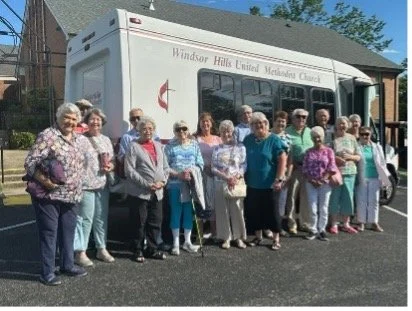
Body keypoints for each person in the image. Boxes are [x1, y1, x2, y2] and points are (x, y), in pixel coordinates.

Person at [24, 102, 87, 286]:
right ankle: (47, 272)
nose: (70, 121)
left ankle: (67, 265)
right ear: (58, 117)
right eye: (67, 117)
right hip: (49, 195)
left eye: (74, 118)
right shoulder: (48, 135)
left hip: (72, 195)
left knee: (68, 232)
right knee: (49, 233)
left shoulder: (77, 138)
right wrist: (46, 182)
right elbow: (30, 162)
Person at [74, 108, 115, 267]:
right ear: (86, 121)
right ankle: (80, 252)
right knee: (85, 219)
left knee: (101, 219)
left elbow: (112, 160)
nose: (95, 122)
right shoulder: (80, 139)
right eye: (92, 119)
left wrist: (110, 166)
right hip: (86, 185)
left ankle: (101, 248)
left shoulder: (106, 139)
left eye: (98, 120)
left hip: (102, 184)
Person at [124, 116, 169, 262]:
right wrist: (146, 184)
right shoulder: (133, 146)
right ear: (139, 130)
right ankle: (137, 250)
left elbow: (165, 168)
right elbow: (129, 170)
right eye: (144, 128)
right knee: (139, 222)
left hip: (158, 191)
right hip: (140, 192)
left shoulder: (158, 145)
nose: (147, 131)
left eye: (150, 128)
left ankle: (152, 249)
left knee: (155, 221)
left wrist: (163, 181)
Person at [243, 112, 287, 250]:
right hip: (252, 183)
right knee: (255, 211)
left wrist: (279, 179)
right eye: (255, 123)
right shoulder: (248, 140)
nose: (259, 125)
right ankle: (258, 237)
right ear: (251, 126)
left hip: (270, 184)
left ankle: (276, 239)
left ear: (266, 124)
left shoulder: (274, 139)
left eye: (261, 122)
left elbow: (283, 158)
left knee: (272, 212)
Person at [165, 121, 203, 255]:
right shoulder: (169, 146)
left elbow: (200, 163)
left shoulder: (194, 145)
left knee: (188, 212)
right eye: (178, 129)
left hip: (190, 184)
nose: (181, 131)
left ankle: (187, 242)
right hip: (175, 185)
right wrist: (178, 174)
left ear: (188, 130)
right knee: (176, 212)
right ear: (174, 131)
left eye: (184, 129)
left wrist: (192, 172)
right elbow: (165, 167)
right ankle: (175, 243)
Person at [211, 120, 247, 249]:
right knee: (222, 211)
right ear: (220, 133)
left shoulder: (240, 147)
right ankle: (226, 237)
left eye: (229, 131)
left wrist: (236, 177)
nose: (226, 134)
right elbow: (213, 167)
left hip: (236, 182)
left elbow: (244, 165)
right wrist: (227, 178)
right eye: (223, 131)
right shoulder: (216, 149)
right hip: (221, 182)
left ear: (232, 132)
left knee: (237, 210)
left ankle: (238, 238)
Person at [302, 126, 338, 241]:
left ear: (323, 137)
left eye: (319, 137)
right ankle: (313, 230)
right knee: (312, 207)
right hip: (311, 182)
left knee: (323, 207)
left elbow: (332, 167)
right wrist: (312, 180)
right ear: (312, 138)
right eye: (314, 137)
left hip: (325, 183)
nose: (317, 139)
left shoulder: (329, 151)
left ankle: (322, 230)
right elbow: (305, 169)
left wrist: (322, 180)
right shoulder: (308, 152)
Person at [328, 116, 361, 234]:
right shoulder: (331, 138)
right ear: (336, 125)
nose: (342, 126)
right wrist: (335, 158)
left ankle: (346, 223)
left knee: (348, 198)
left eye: (344, 124)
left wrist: (350, 157)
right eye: (340, 123)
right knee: (334, 198)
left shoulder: (352, 138)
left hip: (350, 172)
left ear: (348, 125)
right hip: (336, 173)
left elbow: (358, 156)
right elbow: (326, 154)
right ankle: (334, 224)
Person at [356, 126, 391, 232]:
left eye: (367, 134)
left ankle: (374, 222)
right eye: (362, 134)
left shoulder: (377, 147)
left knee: (374, 201)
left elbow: (382, 163)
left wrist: (385, 179)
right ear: (359, 135)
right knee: (361, 201)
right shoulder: (356, 146)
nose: (364, 136)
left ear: (371, 135)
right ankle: (361, 222)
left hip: (375, 177)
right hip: (362, 177)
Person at [193, 112, 222, 240]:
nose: (205, 123)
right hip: (200, 174)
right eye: (203, 121)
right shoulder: (195, 138)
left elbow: (223, 157)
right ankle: (200, 233)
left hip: (215, 175)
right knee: (200, 201)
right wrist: (203, 167)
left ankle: (214, 231)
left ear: (211, 123)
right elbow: (191, 156)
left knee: (213, 203)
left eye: (207, 121)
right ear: (199, 124)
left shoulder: (218, 138)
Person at [285, 108, 313, 234]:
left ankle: (305, 223)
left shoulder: (310, 132)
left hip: (309, 170)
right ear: (293, 118)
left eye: (304, 117)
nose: (301, 119)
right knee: (291, 197)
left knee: (305, 197)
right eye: (298, 116)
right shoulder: (287, 132)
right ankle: (291, 223)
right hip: (295, 168)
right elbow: (285, 152)